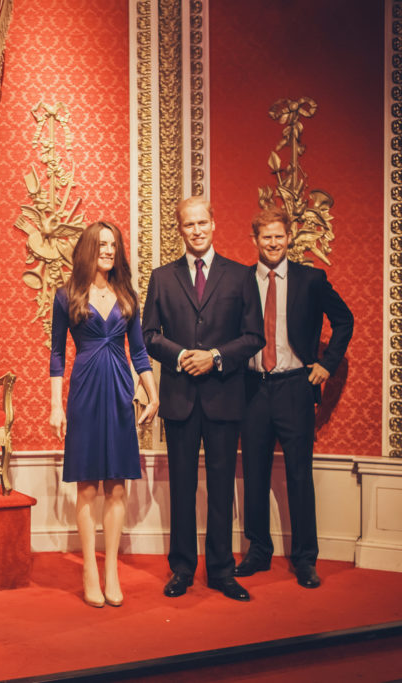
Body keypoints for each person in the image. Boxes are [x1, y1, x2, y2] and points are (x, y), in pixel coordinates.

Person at [142, 196, 264, 602]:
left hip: (224, 398)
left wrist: (213, 357)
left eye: (202, 223)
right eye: (188, 224)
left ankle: (222, 571)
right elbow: (148, 336)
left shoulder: (240, 276)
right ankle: (181, 569)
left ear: (214, 224)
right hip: (179, 399)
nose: (196, 230)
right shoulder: (162, 277)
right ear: (180, 229)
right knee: (181, 487)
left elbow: (253, 337)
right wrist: (180, 356)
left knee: (221, 488)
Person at [235, 208, 353, 589]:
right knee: (254, 474)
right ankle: (258, 552)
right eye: (265, 237)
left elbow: (345, 320)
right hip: (252, 388)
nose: (272, 243)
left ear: (289, 238)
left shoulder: (311, 279)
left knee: (300, 476)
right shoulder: (240, 281)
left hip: (294, 388)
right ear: (255, 241)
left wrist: (327, 365)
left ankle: (305, 559)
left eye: (279, 236)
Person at [48, 222, 159, 608]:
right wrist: (54, 405)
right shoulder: (67, 295)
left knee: (116, 484)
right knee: (87, 485)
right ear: (88, 249)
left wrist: (152, 393)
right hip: (84, 390)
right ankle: (89, 570)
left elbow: (140, 351)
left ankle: (111, 568)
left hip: (119, 392)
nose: (109, 250)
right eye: (102, 244)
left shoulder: (127, 294)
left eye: (114, 245)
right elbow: (57, 354)